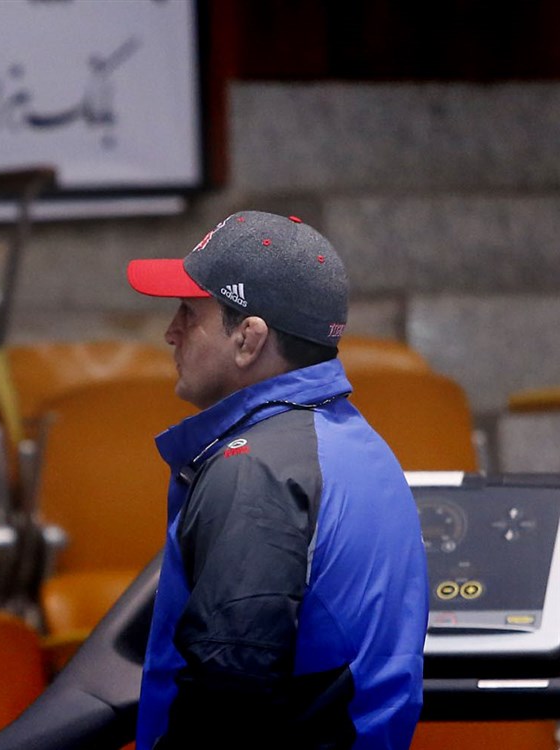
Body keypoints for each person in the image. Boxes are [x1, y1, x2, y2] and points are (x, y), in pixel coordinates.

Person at [126, 211, 428, 749]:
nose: (170, 333)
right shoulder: (355, 445)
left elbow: (228, 698)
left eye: (189, 313)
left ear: (248, 339)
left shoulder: (255, 470)